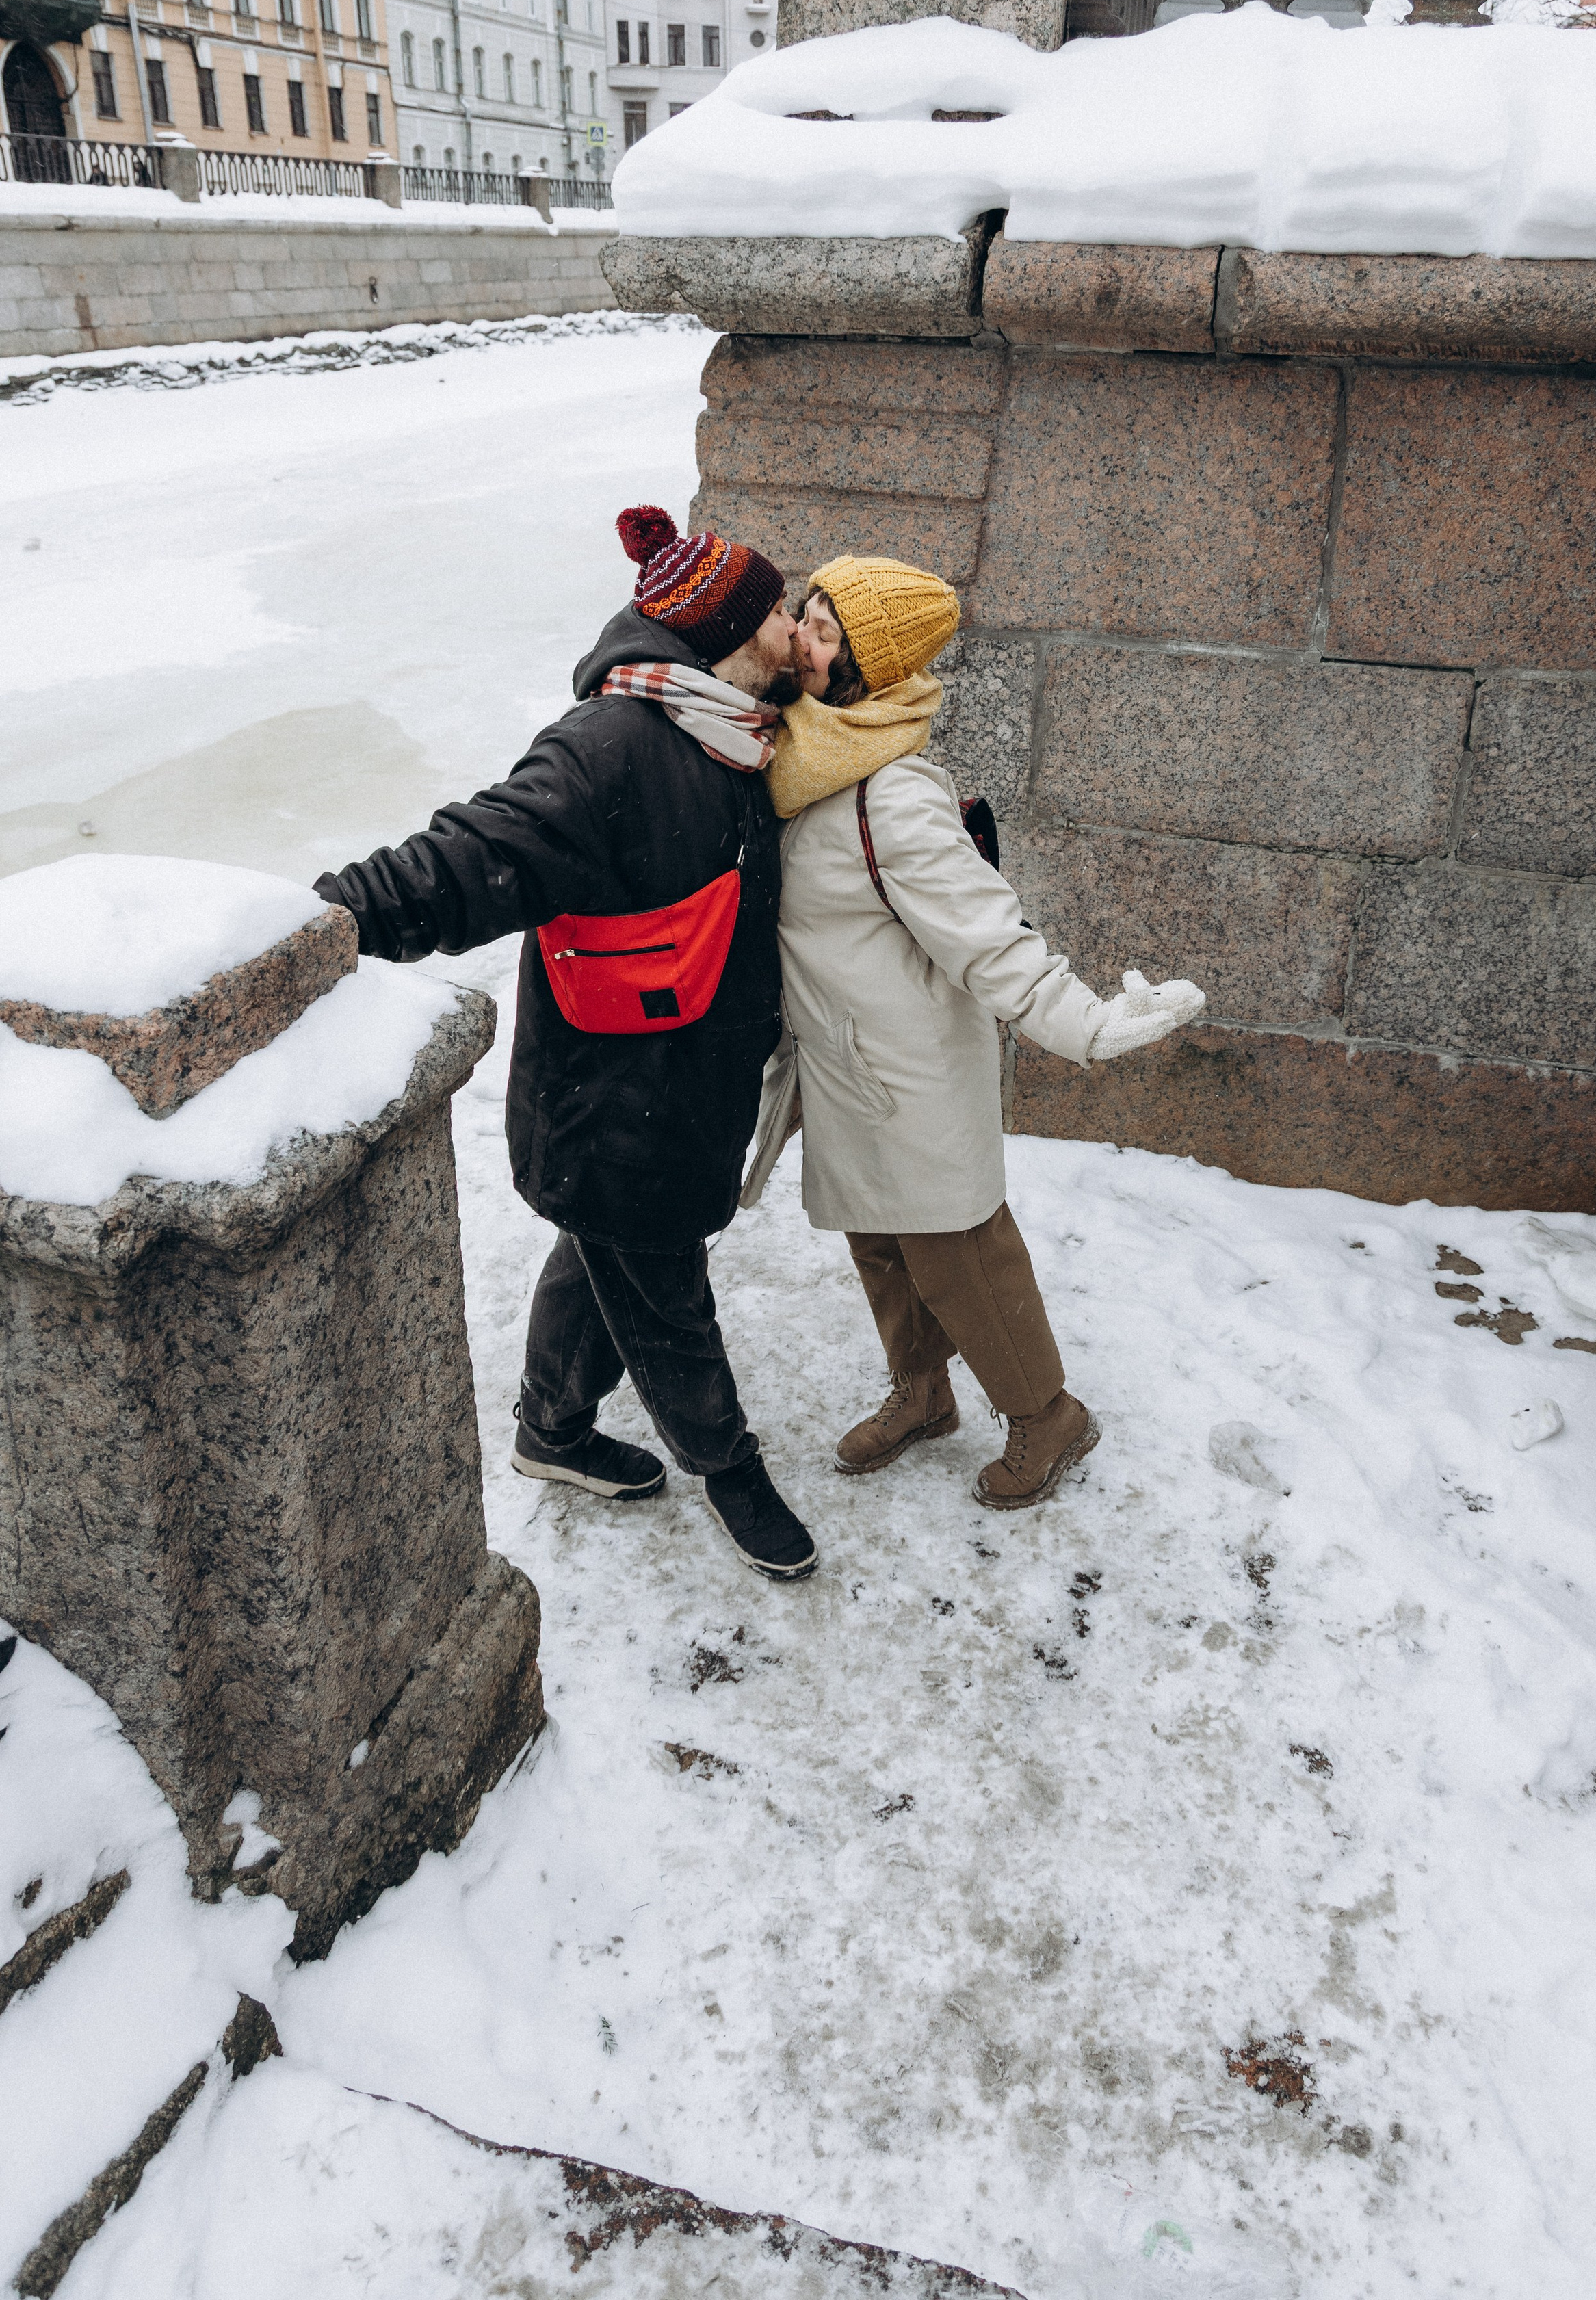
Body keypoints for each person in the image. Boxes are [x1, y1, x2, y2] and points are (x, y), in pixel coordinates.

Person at [314, 505, 821, 1584]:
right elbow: (469, 857)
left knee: (596, 1255)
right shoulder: (614, 748)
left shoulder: (732, 728)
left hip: (683, 1094)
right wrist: (318, 927)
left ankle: (552, 1426)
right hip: (614, 1112)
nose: (792, 627)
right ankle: (727, 1467)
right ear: (729, 631)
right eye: (779, 609)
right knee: (666, 1295)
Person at [741, 554, 1204, 1511]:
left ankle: (1046, 1415)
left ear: (874, 669)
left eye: (829, 635)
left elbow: (993, 941)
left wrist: (1090, 1027)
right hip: (843, 1062)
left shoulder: (890, 794)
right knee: (878, 1243)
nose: (805, 643)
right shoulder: (805, 755)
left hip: (908, 1076)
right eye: (808, 617)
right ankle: (922, 1393)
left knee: (961, 1255)